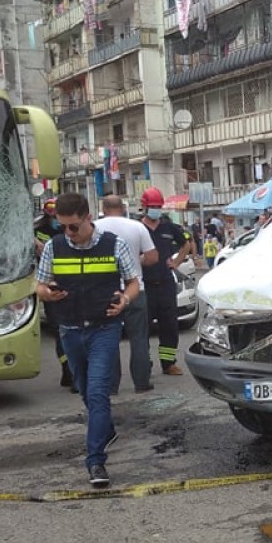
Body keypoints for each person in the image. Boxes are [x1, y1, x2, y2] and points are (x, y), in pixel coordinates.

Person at [35, 192, 140, 488]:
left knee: (97, 392)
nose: (68, 232)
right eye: (62, 226)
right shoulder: (54, 247)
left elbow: (134, 283)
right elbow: (39, 286)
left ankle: (95, 461)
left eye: (73, 226)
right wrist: (48, 293)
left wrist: (124, 300)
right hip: (69, 330)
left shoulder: (114, 245)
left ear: (88, 218)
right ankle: (106, 430)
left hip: (104, 328)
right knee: (84, 388)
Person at [95, 194, 158, 394]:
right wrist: (135, 262)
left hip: (106, 292)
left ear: (104, 209)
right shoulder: (138, 227)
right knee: (139, 338)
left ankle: (112, 385)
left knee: (109, 339)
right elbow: (152, 257)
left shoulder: (95, 228)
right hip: (136, 289)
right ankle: (141, 382)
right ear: (122, 208)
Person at [140, 188, 192, 376]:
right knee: (142, 327)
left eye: (158, 206)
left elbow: (186, 244)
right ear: (144, 207)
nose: (155, 210)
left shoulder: (169, 228)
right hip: (144, 285)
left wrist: (176, 262)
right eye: (152, 206)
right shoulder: (137, 228)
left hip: (166, 284)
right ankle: (144, 363)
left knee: (169, 325)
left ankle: (168, 363)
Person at [34, 198, 74, 390]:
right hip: (51, 284)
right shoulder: (39, 231)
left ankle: (71, 371)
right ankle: (68, 370)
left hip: (69, 284)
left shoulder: (69, 230)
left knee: (68, 330)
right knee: (60, 330)